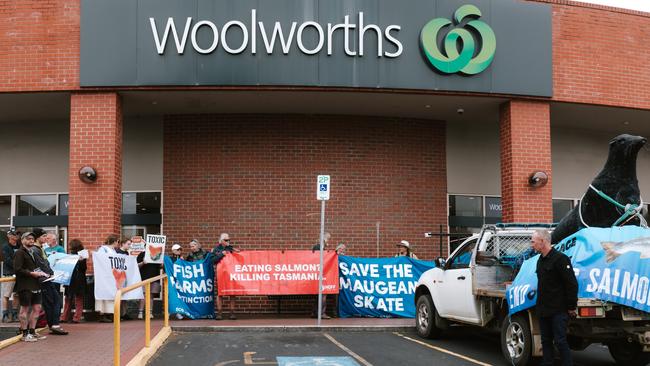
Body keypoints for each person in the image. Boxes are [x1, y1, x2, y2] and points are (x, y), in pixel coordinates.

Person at [531, 229, 578, 366]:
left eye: (533, 242)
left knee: (560, 341)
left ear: (542, 241)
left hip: (558, 310)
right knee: (545, 340)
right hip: (543, 309)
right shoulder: (540, 260)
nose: (531, 244)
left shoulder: (560, 259)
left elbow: (571, 284)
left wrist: (571, 306)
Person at [31, 228, 68, 335]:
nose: (45, 239)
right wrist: (50, 273)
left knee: (51, 302)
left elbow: (45, 262)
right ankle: (54, 324)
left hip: (47, 278)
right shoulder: (36, 249)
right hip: (44, 279)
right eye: (43, 237)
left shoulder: (40, 248)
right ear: (37, 238)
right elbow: (41, 264)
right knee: (55, 302)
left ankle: (53, 325)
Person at [14, 232, 48, 342]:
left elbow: (37, 267)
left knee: (37, 308)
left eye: (33, 239)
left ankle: (33, 332)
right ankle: (25, 333)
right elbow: (17, 269)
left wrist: (43, 273)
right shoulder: (19, 252)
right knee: (24, 309)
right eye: (28, 239)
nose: (31, 241)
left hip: (35, 284)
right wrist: (32, 273)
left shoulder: (33, 251)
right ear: (23, 240)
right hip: (25, 285)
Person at [212, 233, 239, 320]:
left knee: (232, 293)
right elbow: (212, 260)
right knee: (220, 293)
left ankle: (232, 313)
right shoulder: (216, 249)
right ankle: (219, 313)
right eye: (226, 240)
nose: (228, 242)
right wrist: (221, 254)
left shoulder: (231, 248)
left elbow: (238, 258)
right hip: (221, 274)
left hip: (231, 274)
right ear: (221, 241)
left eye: (229, 240)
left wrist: (238, 253)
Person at [60, 239, 87, 323]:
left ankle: (65, 317)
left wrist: (81, 261)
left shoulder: (81, 256)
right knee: (76, 299)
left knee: (70, 298)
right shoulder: (75, 255)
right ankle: (75, 317)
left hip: (73, 279)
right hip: (77, 279)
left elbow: (83, 268)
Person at [95, 234, 120, 323]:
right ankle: (102, 314)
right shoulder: (103, 249)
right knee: (103, 295)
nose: (118, 243)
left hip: (112, 276)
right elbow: (100, 260)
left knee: (111, 294)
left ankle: (111, 313)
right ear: (114, 241)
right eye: (118, 241)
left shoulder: (113, 250)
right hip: (104, 276)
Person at [136, 250, 162, 320]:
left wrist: (161, 265)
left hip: (154, 277)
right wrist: (143, 263)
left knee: (151, 295)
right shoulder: (142, 254)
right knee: (143, 295)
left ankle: (150, 313)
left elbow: (160, 267)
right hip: (144, 277)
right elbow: (136, 266)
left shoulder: (158, 253)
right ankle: (140, 312)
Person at [311, 232, 331, 319]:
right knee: (322, 294)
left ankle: (315, 312)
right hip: (318, 274)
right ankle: (321, 313)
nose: (328, 241)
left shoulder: (323, 247)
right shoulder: (317, 247)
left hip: (322, 274)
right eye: (328, 238)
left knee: (320, 295)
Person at [2, 229, 20, 323]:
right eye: (14, 235)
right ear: (9, 236)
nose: (16, 236)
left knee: (16, 294)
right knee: (6, 295)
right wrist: (19, 266)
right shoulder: (5, 247)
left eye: (17, 235)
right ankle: (5, 315)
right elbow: (7, 260)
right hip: (9, 273)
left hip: (18, 274)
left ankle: (14, 314)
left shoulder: (19, 246)